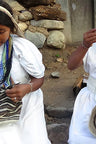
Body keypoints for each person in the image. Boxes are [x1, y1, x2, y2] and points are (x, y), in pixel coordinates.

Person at [0, 1, 51, 144]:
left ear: (11, 28)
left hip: (27, 104)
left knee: (30, 138)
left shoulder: (22, 48)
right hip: (2, 110)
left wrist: (27, 88)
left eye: (0, 32)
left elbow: (39, 78)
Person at [68, 1, 96, 144]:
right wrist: (84, 45)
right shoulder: (93, 44)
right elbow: (71, 66)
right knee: (81, 138)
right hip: (90, 100)